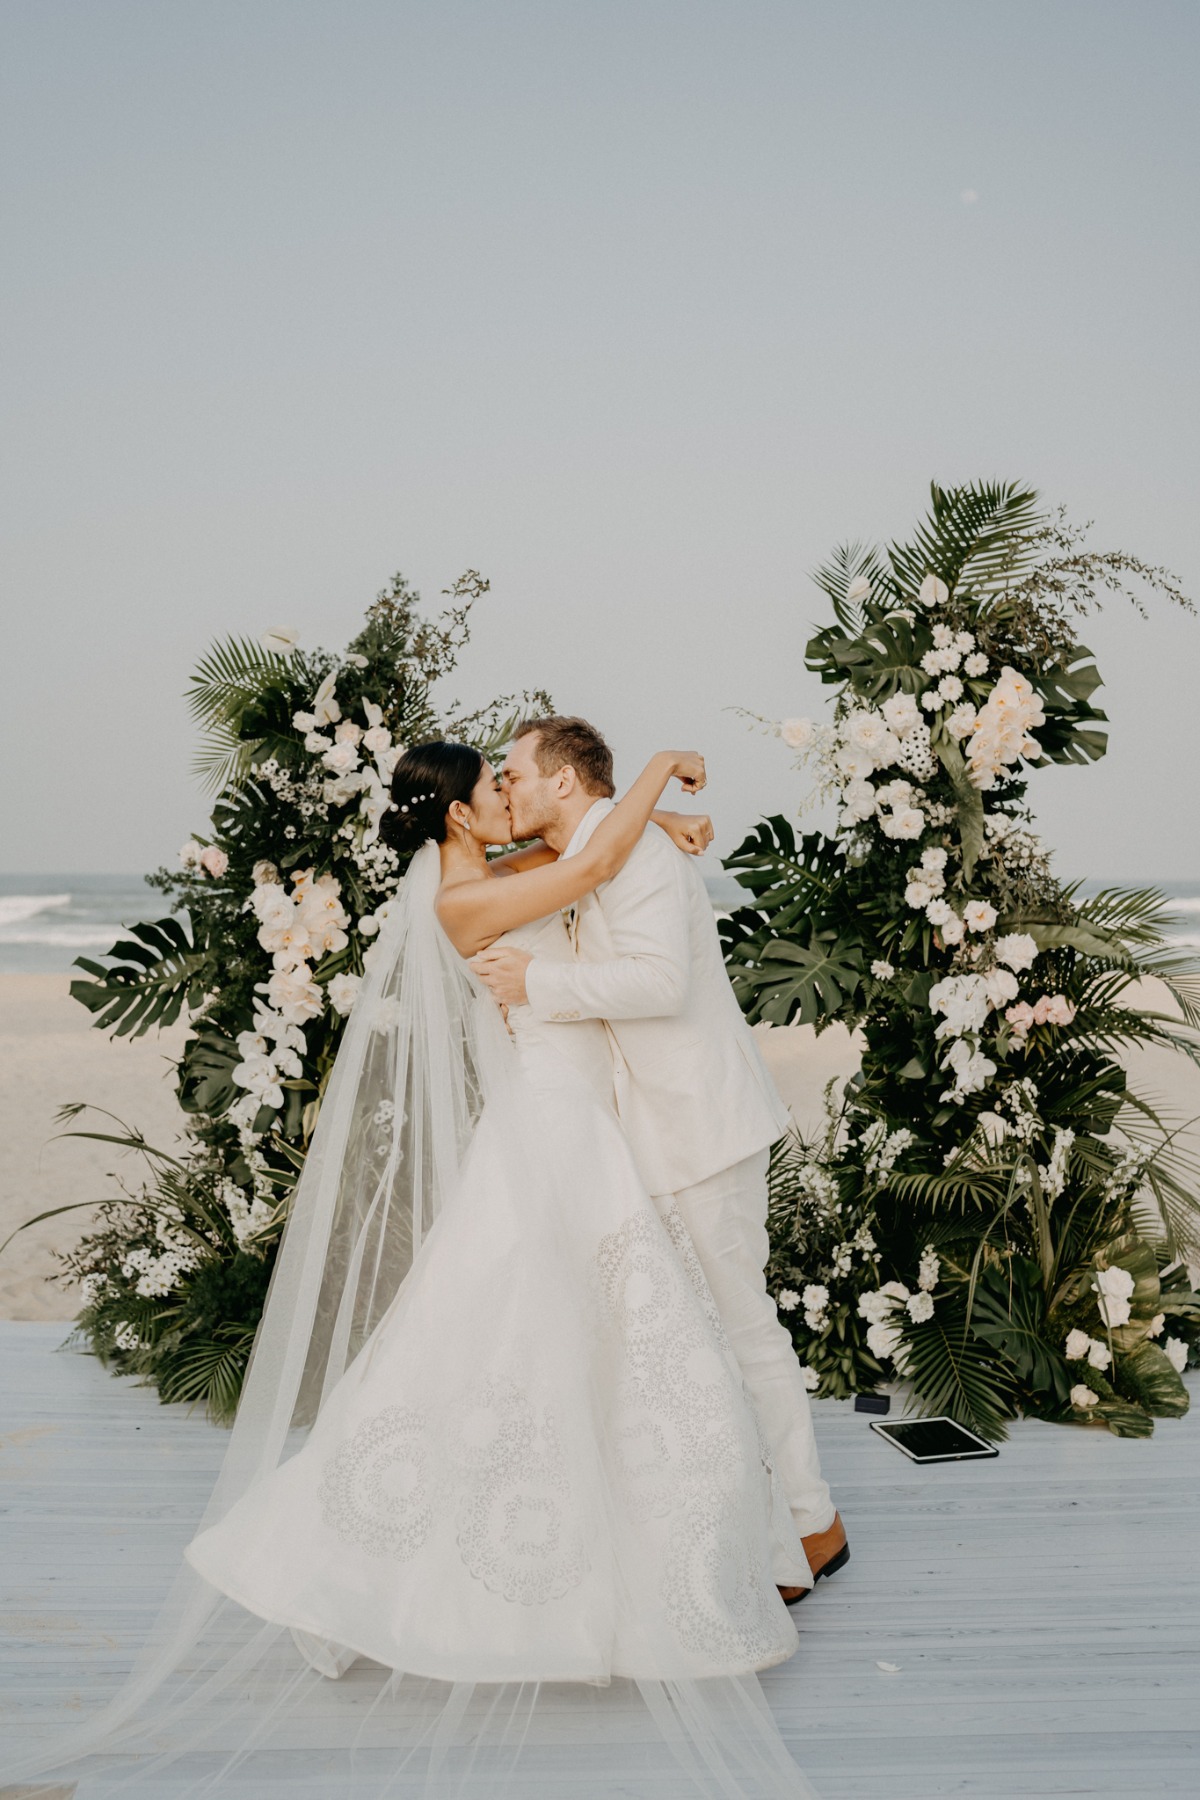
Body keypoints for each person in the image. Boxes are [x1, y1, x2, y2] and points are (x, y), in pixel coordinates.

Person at [2, 739, 818, 1800]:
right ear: (461, 816)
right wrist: (659, 775)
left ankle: (635, 1554)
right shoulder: (460, 900)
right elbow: (581, 871)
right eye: (494, 788)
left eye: (514, 779)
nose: (509, 795)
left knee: (564, 1344)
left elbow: (577, 852)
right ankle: (384, 1559)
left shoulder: (486, 866)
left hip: (579, 1129)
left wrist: (656, 826)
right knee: (519, 1344)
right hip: (552, 1128)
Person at [472, 716, 847, 1604]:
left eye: (516, 771)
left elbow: (658, 983)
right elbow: (504, 879)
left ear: (564, 782)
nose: (507, 783)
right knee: (694, 1342)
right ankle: (748, 1519)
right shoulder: (606, 847)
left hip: (700, 1127)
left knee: (743, 1331)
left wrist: (538, 987)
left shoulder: (632, 855)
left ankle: (812, 1524)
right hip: (646, 1132)